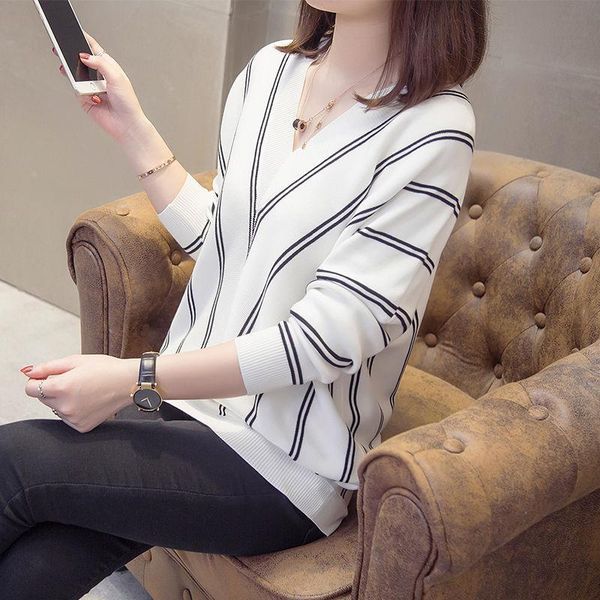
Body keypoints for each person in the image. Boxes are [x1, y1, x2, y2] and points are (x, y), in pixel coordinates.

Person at [1, 0, 488, 597]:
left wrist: (135, 378)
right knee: (35, 564)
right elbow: (226, 242)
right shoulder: (269, 72)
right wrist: (131, 126)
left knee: (14, 463)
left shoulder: (434, 127)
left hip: (284, 463)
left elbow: (327, 339)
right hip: (191, 408)